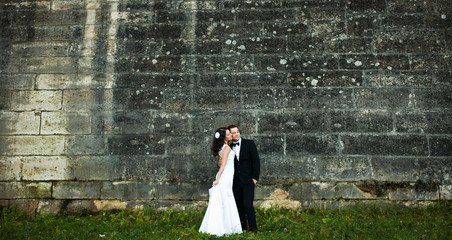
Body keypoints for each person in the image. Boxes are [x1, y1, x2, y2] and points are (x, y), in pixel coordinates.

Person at [199, 128, 242, 236]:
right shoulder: (226, 148)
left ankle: (223, 224)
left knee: (223, 198)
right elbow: (222, 166)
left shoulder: (221, 148)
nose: (231, 135)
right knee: (226, 198)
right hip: (225, 176)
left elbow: (220, 162)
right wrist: (218, 179)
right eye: (228, 134)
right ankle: (225, 225)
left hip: (225, 175)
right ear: (224, 137)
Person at [227, 124, 260, 232]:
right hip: (235, 181)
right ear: (230, 135)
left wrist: (255, 178)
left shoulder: (249, 144)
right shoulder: (229, 147)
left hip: (248, 180)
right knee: (239, 205)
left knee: (247, 204)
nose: (236, 134)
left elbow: (256, 161)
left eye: (237, 131)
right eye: (233, 133)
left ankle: (253, 228)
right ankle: (243, 227)